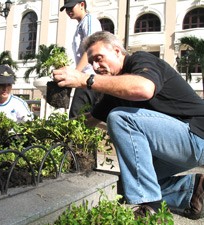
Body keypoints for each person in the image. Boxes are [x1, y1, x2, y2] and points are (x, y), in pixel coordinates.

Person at [53, 31, 204, 220]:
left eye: (99, 58)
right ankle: (193, 191)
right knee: (128, 184)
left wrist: (86, 80)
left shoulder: (141, 60)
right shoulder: (115, 92)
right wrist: (54, 130)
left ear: (117, 51)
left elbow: (144, 89)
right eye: (91, 63)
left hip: (196, 134)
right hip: (178, 147)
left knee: (120, 118)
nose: (95, 66)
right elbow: (90, 119)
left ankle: (151, 208)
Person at [60, 0, 102, 118]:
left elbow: (90, 48)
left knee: (76, 116)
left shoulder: (89, 21)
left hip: (89, 76)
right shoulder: (81, 24)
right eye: (66, 9)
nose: (68, 12)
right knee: (84, 117)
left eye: (70, 8)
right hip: (86, 77)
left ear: (82, 5)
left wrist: (75, 73)